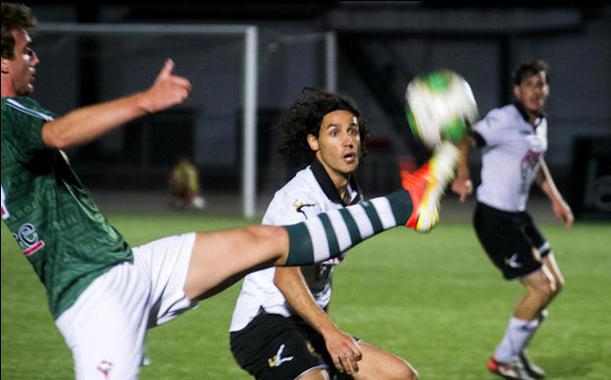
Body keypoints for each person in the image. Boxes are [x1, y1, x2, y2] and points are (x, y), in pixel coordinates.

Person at [0, 3, 459, 379]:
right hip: (93, 296)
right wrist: (145, 100)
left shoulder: (19, 109)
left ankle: (409, 202)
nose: (34, 58)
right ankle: (409, 203)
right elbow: (59, 135)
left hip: (127, 267)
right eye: (26, 50)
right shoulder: (5, 115)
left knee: (265, 241)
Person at [229, 88, 419, 380]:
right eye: (334, 133)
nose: (348, 141)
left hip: (308, 321)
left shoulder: (351, 194)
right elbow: (285, 276)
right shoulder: (300, 200)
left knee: (399, 375)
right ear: (314, 142)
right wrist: (331, 333)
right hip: (263, 321)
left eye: (353, 131)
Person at [452, 59, 573, 380]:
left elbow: (537, 163)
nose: (536, 91)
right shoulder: (503, 119)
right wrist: (463, 176)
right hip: (495, 219)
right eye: (530, 85)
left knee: (555, 284)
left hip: (519, 216)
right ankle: (503, 359)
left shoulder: (539, 123)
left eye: (541, 85)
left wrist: (557, 200)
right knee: (540, 289)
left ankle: (513, 354)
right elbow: (464, 139)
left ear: (546, 90)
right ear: (519, 91)